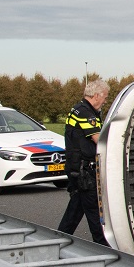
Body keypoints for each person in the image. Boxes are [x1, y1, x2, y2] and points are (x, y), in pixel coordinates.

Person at [57, 76, 110, 243]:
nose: (105, 100)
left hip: (77, 169)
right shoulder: (86, 113)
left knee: (76, 210)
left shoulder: (78, 109)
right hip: (84, 171)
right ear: (97, 95)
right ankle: (104, 247)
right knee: (94, 210)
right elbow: (99, 140)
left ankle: (58, 240)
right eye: (105, 96)